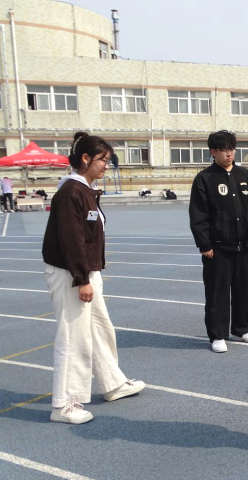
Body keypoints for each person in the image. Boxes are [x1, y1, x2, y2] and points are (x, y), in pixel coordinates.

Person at [42, 132, 145, 425]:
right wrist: (82, 278)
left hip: (86, 271)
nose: (106, 166)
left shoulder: (86, 189)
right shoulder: (71, 192)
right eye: (103, 160)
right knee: (74, 336)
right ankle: (63, 404)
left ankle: (112, 383)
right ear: (85, 158)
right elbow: (71, 239)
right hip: (71, 274)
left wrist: (89, 274)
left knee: (99, 328)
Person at [189, 130, 248, 353]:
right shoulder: (204, 179)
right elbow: (198, 214)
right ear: (213, 152)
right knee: (217, 292)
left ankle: (242, 329)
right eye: (223, 150)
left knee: (245, 289)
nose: (229, 154)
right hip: (218, 247)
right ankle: (217, 335)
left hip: (245, 245)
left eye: (231, 149)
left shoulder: (245, 175)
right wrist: (204, 244)